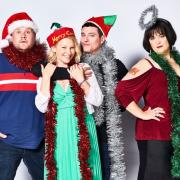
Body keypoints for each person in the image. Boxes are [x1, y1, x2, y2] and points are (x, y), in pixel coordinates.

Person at [115, 5, 180, 180]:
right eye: (152, 37)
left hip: (176, 134)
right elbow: (121, 90)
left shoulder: (178, 63)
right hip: (155, 133)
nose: (157, 40)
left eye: (161, 35)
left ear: (169, 37)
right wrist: (142, 114)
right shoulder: (147, 63)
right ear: (148, 42)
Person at [35, 24, 103, 180]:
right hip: (58, 131)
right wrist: (46, 78)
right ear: (54, 49)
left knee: (85, 171)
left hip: (83, 128)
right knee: (59, 171)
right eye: (64, 47)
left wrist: (80, 80)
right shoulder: (46, 72)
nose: (68, 52)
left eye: (72, 47)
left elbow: (97, 100)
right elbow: (41, 107)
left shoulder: (83, 68)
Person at [80, 15, 128, 179]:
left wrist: (108, 106)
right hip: (80, 131)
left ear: (102, 39)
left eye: (91, 35)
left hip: (106, 133)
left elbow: (127, 97)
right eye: (83, 35)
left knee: (106, 173)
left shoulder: (116, 65)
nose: (85, 39)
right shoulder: (74, 63)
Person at [0, 12, 45, 180]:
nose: (24, 35)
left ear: (34, 36)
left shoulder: (45, 64)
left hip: (39, 140)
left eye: (28, 31)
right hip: (5, 142)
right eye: (19, 31)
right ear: (11, 36)